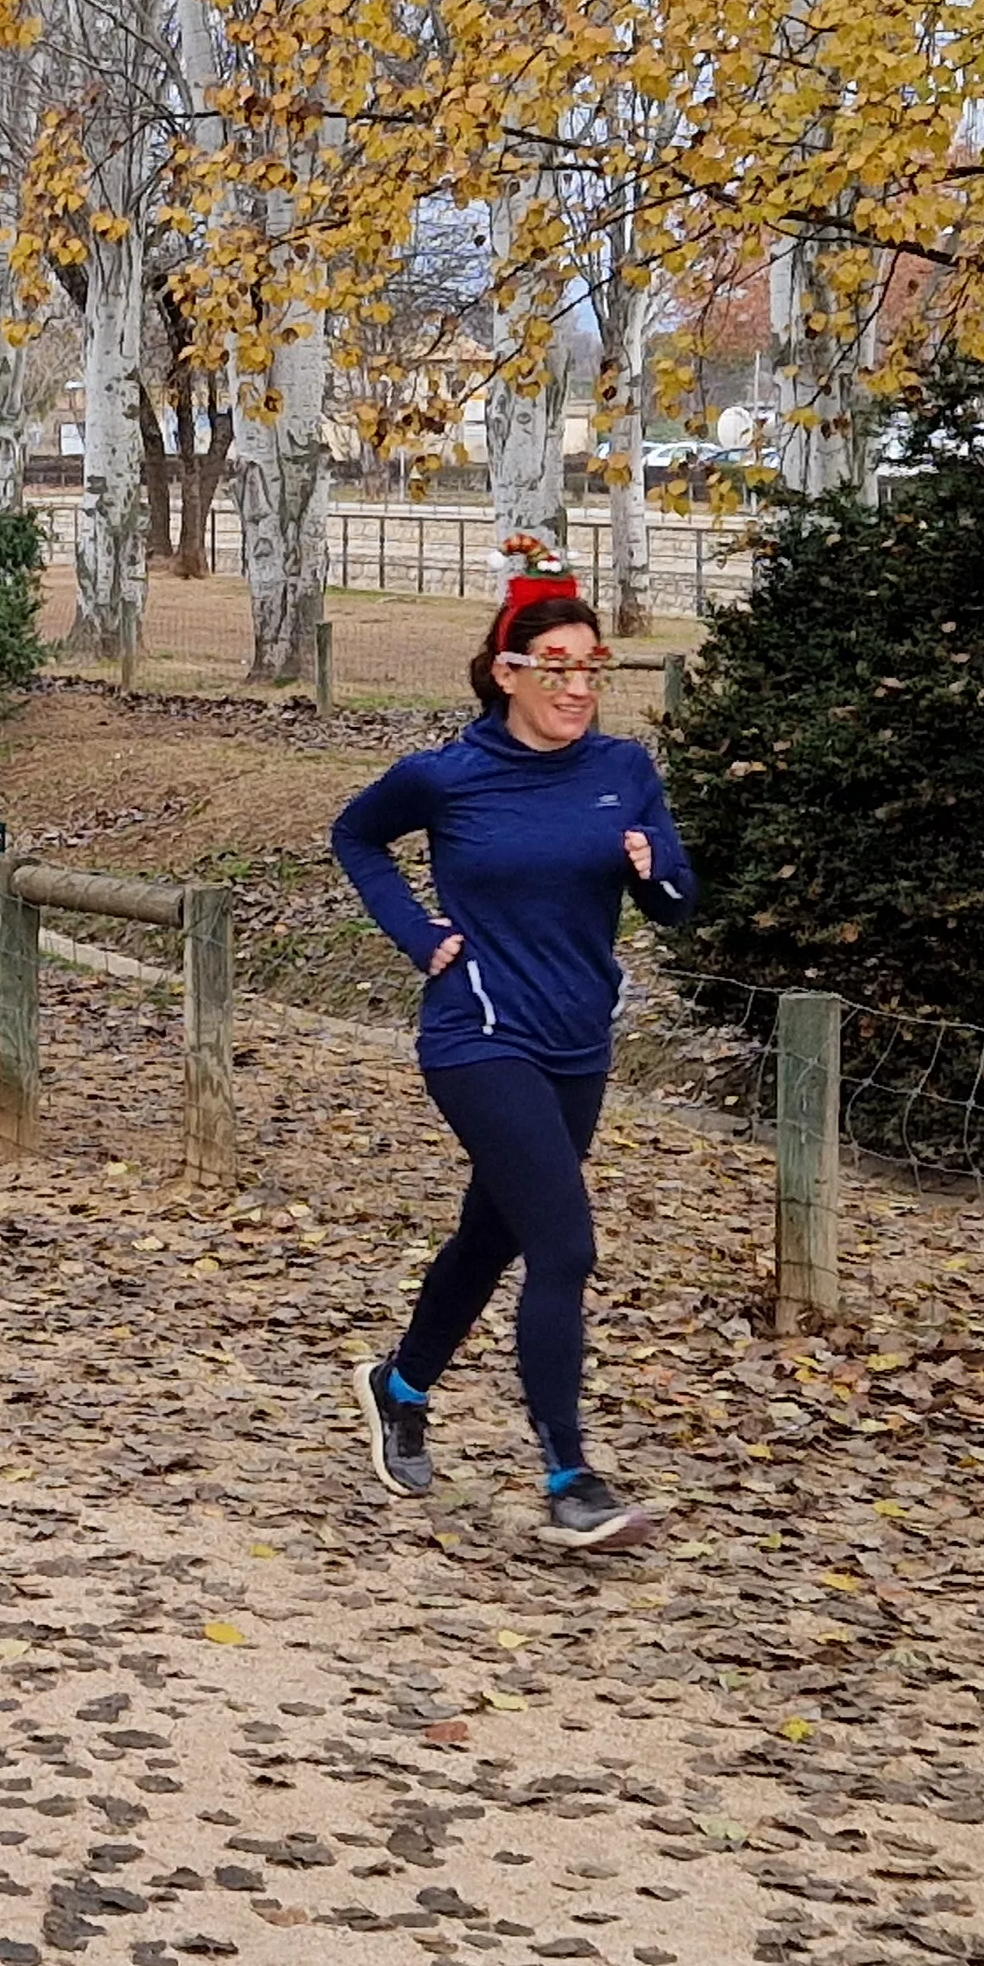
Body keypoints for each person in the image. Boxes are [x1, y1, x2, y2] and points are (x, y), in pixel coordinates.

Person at [331, 570, 695, 1547]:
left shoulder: (622, 768)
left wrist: (655, 874)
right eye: (556, 668)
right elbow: (355, 836)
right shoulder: (445, 777)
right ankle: (570, 1479)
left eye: (592, 668)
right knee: (563, 1244)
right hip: (476, 1036)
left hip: (577, 1044)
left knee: (493, 1236)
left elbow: (676, 897)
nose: (577, 688)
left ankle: (398, 1385)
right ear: (507, 671)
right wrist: (417, 935)